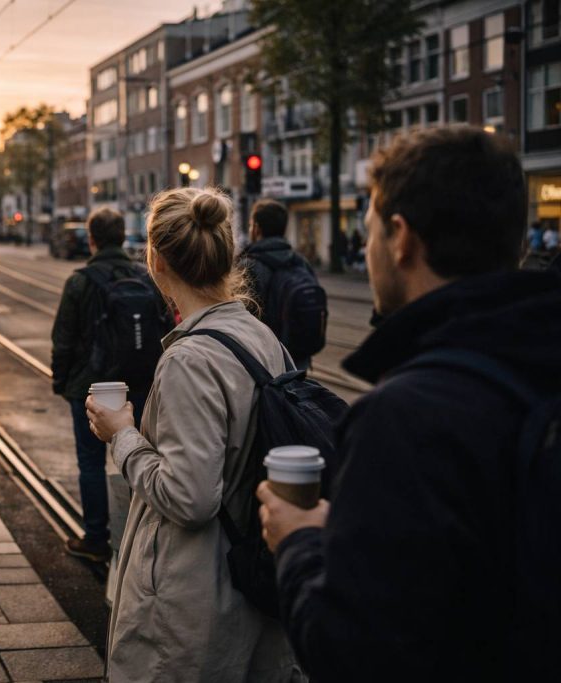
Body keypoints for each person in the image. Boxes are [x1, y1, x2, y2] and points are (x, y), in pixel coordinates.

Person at [257, 126, 561, 681]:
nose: (369, 247)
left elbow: (351, 650)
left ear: (401, 239)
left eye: (370, 230)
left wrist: (299, 540)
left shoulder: (407, 416)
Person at [87, 188, 301, 682]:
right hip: (251, 584)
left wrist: (121, 435)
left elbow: (189, 497)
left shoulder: (188, 360)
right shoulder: (261, 336)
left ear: (155, 260)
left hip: (193, 602)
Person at [51, 207, 169, 563]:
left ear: (92, 239)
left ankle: (96, 539)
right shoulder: (147, 279)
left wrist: (62, 381)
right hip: (138, 386)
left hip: (90, 388)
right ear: (123, 237)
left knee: (90, 463)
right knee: (139, 458)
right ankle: (141, 542)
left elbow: (64, 338)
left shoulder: (80, 282)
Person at [241, 198, 327, 369]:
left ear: (256, 228)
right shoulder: (301, 262)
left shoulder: (248, 266)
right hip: (298, 360)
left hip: (264, 362)